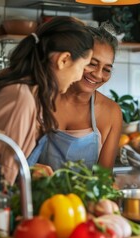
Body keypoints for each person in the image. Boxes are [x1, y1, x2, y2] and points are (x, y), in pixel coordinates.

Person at [0, 16, 94, 225]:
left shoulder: (26, 91)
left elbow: (1, 162)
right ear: (63, 60)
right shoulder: (20, 98)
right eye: (84, 65)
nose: (80, 76)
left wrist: (26, 171)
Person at [27, 24, 123, 171]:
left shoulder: (111, 112)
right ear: (74, 59)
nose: (97, 74)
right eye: (92, 64)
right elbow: (10, 158)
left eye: (106, 69)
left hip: (81, 195)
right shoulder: (36, 99)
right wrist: (32, 170)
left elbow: (104, 180)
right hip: (30, 192)